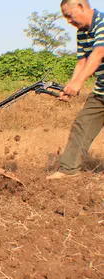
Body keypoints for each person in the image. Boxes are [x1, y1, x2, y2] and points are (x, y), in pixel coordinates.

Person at [46, 0, 104, 180]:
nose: (68, 21)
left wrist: (79, 83)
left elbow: (99, 53)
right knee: (82, 124)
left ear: (80, 6)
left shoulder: (102, 23)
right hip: (102, 91)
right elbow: (82, 61)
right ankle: (68, 170)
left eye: (69, 16)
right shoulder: (82, 32)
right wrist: (71, 85)